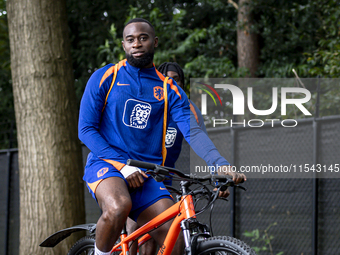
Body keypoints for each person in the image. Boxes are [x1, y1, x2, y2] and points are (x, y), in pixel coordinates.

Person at [78, 18, 246, 255]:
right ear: (124, 45)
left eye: (143, 38)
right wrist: (123, 166)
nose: (137, 44)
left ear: (154, 42)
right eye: (130, 39)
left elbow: (193, 131)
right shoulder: (105, 77)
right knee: (119, 207)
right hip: (107, 165)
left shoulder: (169, 88)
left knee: (174, 237)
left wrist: (219, 164)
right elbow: (85, 130)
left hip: (147, 173)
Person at [127, 62, 234, 255]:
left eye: (175, 79)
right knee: (135, 229)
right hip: (137, 175)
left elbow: (199, 139)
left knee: (166, 239)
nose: (170, 82)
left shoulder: (187, 108)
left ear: (182, 85)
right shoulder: (145, 102)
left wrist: (217, 173)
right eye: (165, 78)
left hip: (164, 180)